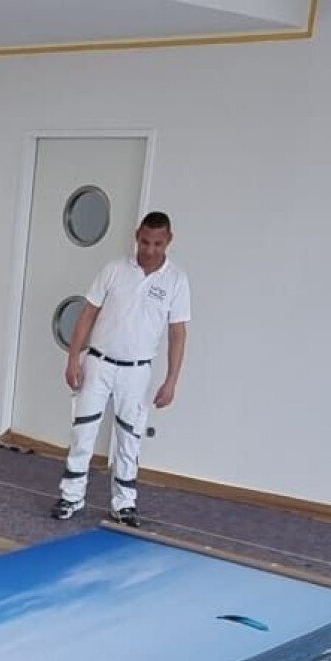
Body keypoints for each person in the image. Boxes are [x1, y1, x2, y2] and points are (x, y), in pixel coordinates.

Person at [50, 210, 190, 529]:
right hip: (98, 362)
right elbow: (87, 313)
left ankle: (124, 504)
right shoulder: (114, 270)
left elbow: (178, 333)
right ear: (137, 235)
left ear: (168, 240)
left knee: (129, 437)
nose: (150, 249)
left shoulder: (176, 281)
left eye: (157, 243)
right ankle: (71, 496)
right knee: (83, 429)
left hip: (136, 371)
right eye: (144, 241)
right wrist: (74, 358)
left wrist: (171, 380)